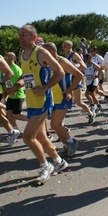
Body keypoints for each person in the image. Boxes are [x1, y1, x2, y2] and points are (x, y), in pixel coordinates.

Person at [19, 25, 68, 183]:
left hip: (43, 101)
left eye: (24, 35)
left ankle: (45, 166)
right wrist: (14, 87)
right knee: (40, 136)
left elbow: (60, 71)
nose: (21, 37)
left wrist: (45, 88)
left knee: (28, 137)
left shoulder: (41, 52)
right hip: (31, 101)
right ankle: (59, 162)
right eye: (20, 34)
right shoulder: (22, 54)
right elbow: (26, 77)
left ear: (34, 37)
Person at [42, 42, 83, 157]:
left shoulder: (62, 61)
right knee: (55, 125)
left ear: (50, 52)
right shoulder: (48, 63)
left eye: (43, 52)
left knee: (55, 124)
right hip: (53, 98)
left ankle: (71, 142)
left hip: (64, 97)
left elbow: (79, 75)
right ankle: (67, 145)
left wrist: (70, 89)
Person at [62, 40, 95, 124]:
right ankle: (60, 124)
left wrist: (72, 71)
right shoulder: (65, 57)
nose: (63, 48)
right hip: (67, 81)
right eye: (62, 46)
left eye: (64, 46)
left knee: (79, 102)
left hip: (75, 80)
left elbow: (83, 66)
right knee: (63, 102)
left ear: (70, 47)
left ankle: (90, 113)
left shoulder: (74, 55)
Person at [3, 52, 27, 133]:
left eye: (7, 56)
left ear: (12, 58)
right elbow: (8, 81)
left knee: (16, 115)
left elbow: (21, 81)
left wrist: (14, 90)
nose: (5, 57)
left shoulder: (16, 68)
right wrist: (6, 91)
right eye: (5, 56)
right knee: (9, 114)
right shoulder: (7, 68)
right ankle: (16, 130)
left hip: (18, 95)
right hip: (11, 96)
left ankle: (32, 120)